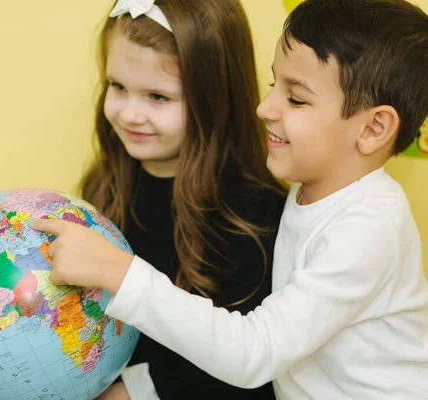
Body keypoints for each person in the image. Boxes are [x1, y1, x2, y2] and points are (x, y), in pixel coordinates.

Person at [33, 0, 428, 398]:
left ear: (374, 127)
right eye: (275, 85)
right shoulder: (313, 189)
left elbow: (255, 352)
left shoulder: (368, 228)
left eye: (296, 99)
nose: (263, 107)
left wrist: (119, 273)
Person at [47, 0, 287, 398]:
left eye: (158, 96)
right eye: (117, 87)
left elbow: (242, 365)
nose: (129, 114)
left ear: (215, 97)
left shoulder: (252, 217)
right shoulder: (103, 189)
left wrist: (130, 392)